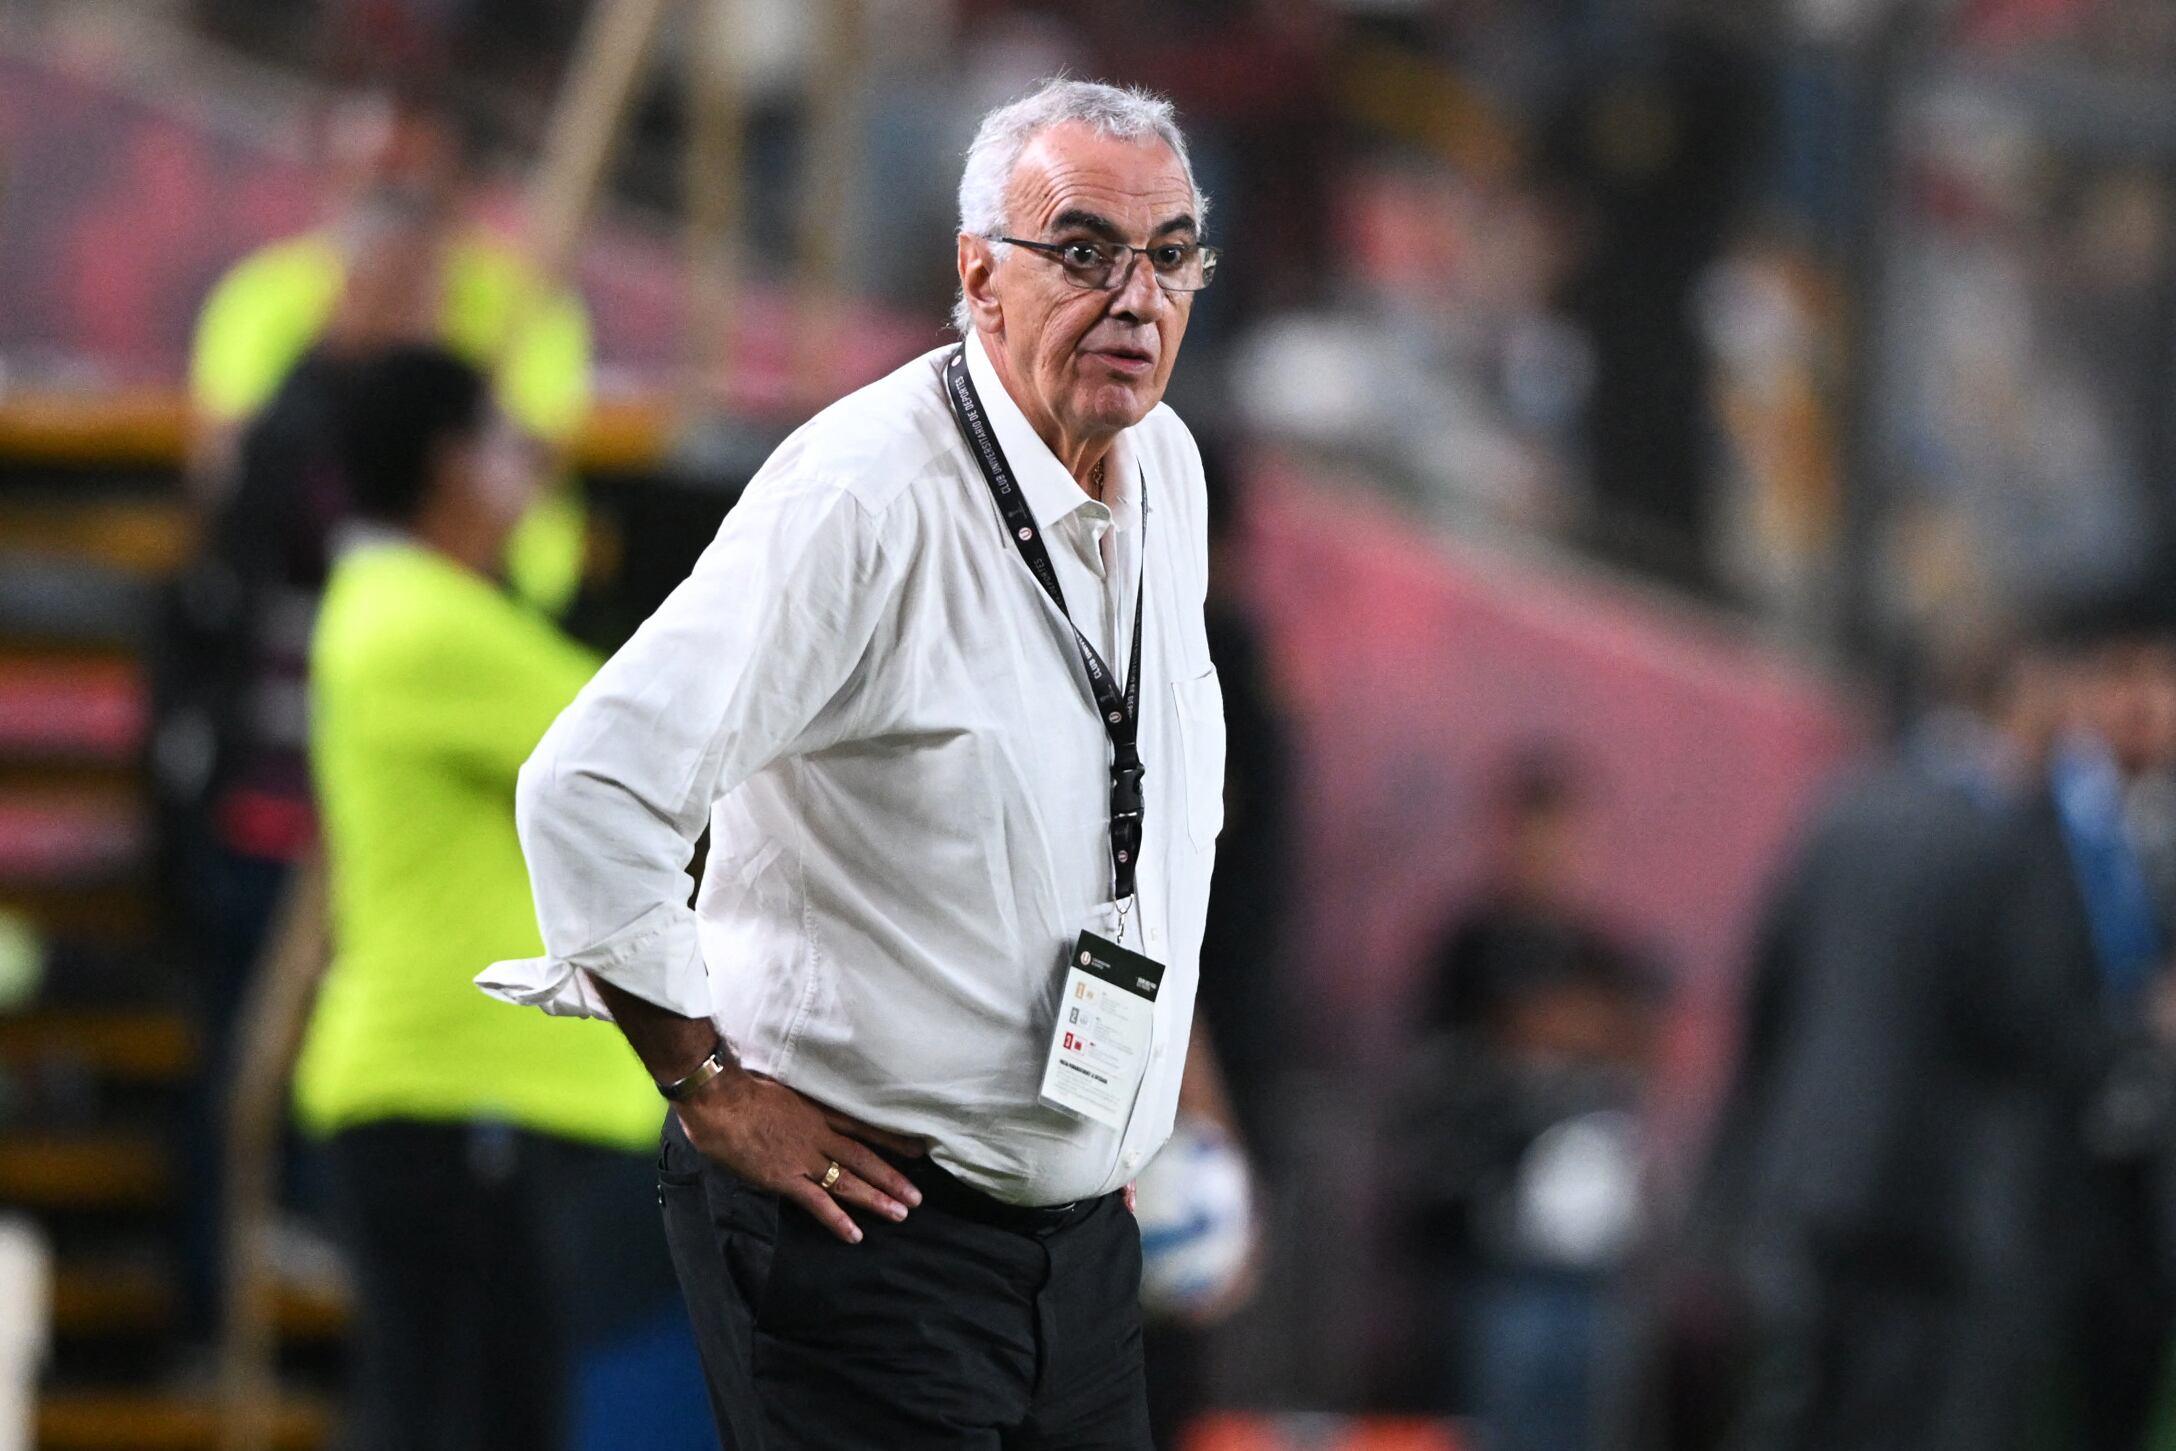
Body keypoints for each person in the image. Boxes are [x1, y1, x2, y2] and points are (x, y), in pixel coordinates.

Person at [481, 78, 1232, 1448]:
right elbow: (588, 786)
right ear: (978, 274)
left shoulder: (1163, 467)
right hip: (865, 1226)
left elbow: (1141, 833)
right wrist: (708, 1086)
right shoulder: (862, 493)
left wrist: (1134, 1120)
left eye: (1170, 254)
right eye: (1083, 252)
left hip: (1077, 1246)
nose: (1137, 298)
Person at [291, 345, 669, 1451]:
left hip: (466, 1090)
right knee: (469, 1419)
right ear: (449, 462)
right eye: (507, 439)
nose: (533, 463)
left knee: (463, 1411)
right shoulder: (419, 621)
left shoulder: (421, 608)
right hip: (457, 1086)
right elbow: (640, 741)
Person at [1402, 748, 1662, 1451]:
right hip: (1493, 1253)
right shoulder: (1470, 944)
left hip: (1591, 1256)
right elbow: (1523, 1020)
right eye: (1538, 834)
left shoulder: (1603, 948)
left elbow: (1645, 1034)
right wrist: (1576, 1025)